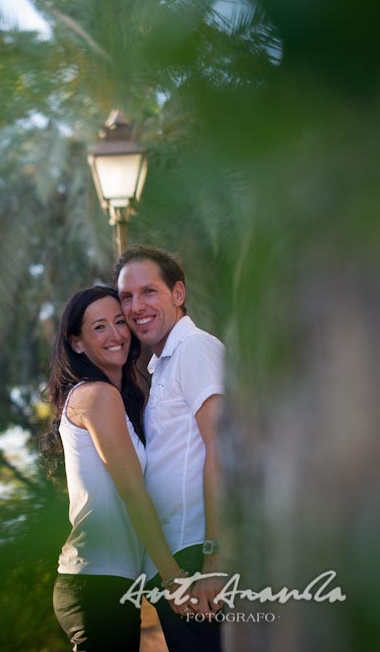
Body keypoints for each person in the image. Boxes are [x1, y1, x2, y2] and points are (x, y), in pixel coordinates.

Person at [47, 285, 194, 652]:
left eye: (119, 322)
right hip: (97, 586)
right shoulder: (96, 395)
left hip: (109, 584)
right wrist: (173, 576)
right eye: (99, 327)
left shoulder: (112, 399)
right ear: (76, 343)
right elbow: (132, 492)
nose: (116, 335)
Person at [115, 244, 226, 652]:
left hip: (198, 556)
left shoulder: (194, 348)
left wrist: (216, 558)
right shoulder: (163, 364)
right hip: (177, 563)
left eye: (149, 292)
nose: (135, 306)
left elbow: (223, 448)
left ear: (178, 294)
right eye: (126, 296)